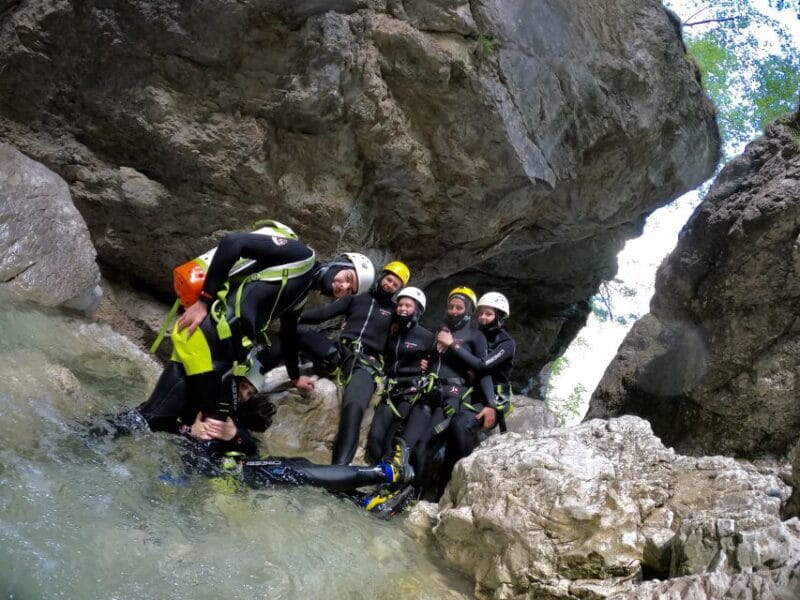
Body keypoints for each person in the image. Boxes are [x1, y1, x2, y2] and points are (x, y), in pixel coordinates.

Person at [120, 222, 375, 435]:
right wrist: (203, 302)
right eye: (347, 278)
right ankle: (102, 435)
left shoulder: (300, 296)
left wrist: (295, 377)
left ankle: (105, 434)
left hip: (219, 348)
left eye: (349, 290)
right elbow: (233, 243)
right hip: (209, 338)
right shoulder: (301, 256)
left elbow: (289, 335)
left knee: (163, 417)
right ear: (339, 264)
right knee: (206, 422)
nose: (342, 287)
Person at [297, 261, 410, 465]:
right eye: (389, 279)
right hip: (340, 353)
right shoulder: (356, 298)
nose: (390, 285)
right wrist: (289, 315)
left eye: (395, 285)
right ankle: (252, 379)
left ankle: (340, 467)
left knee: (354, 409)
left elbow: (405, 342)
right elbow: (323, 315)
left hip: (366, 364)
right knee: (295, 332)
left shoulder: (395, 312)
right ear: (382, 276)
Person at [398, 286, 496, 500]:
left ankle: (414, 498)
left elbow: (483, 369)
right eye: (451, 307)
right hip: (429, 393)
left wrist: (491, 404)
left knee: (423, 448)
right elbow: (432, 359)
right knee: (405, 445)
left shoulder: (476, 336)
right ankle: (395, 489)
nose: (453, 311)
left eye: (459, 308)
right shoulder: (440, 332)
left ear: (469, 311)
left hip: (451, 398)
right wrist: (425, 363)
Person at [365, 286, 434, 463]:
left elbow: (437, 363)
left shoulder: (427, 336)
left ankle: (390, 475)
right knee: (374, 439)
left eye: (408, 306)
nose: (402, 309)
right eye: (400, 305)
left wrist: (429, 367)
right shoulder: (392, 331)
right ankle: (379, 471)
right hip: (390, 391)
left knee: (391, 441)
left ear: (418, 310)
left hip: (410, 393)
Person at [436, 291, 515, 430]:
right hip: (474, 391)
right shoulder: (477, 336)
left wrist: (452, 344)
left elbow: (482, 365)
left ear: (499, 317)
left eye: (488, 314)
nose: (483, 317)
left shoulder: (506, 343)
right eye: (481, 313)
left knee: (460, 424)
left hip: (495, 396)